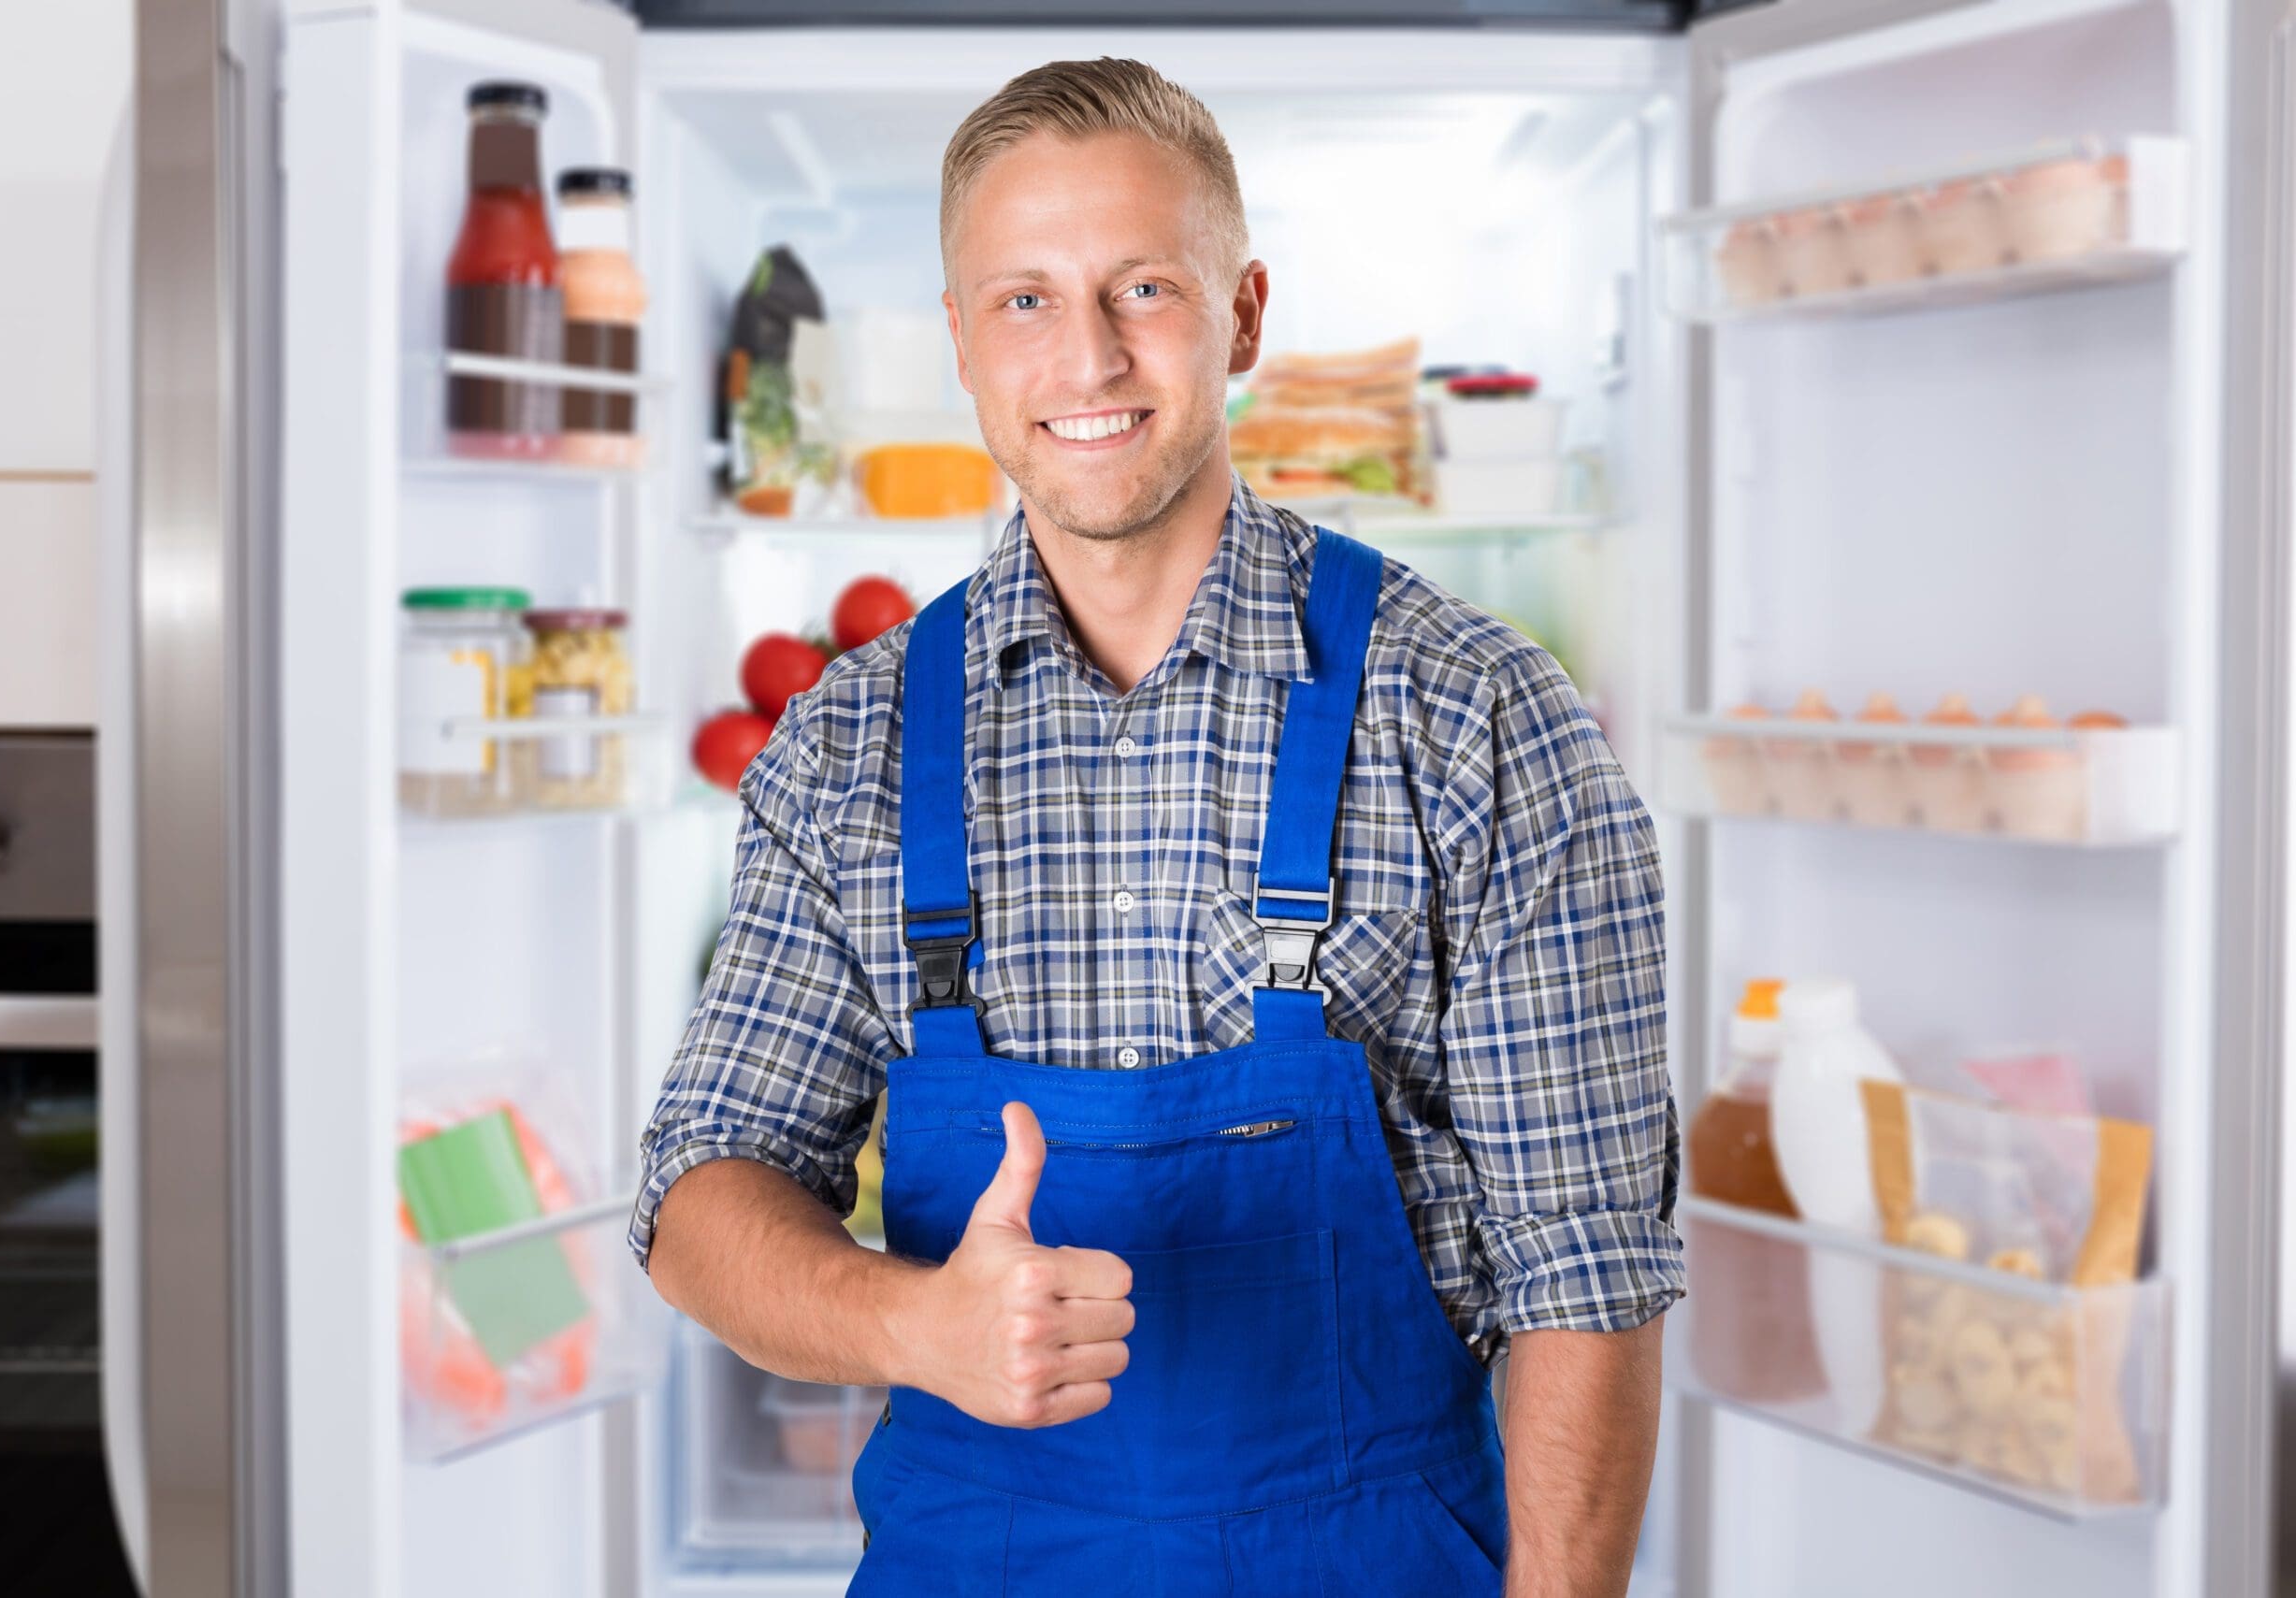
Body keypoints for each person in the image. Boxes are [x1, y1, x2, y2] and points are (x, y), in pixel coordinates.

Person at [632, 56, 1682, 1597]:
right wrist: (911, 1323)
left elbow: (1587, 1276)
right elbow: (700, 1181)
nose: (1091, 356)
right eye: (1026, 301)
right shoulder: (848, 744)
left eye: (1144, 288)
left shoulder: (1475, 720)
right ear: (962, 343)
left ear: (1243, 313)